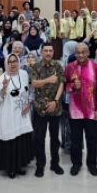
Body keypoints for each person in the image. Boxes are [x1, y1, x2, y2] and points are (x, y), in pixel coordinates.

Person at [64, 42, 97, 176]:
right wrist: (72, 86)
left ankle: (92, 164)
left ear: (88, 53)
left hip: (92, 110)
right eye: (78, 52)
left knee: (92, 139)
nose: (81, 55)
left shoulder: (95, 67)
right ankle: (76, 163)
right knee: (76, 140)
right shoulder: (69, 67)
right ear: (74, 54)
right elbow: (65, 86)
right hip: (75, 111)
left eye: (83, 52)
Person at [28, 41, 65, 177]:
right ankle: (40, 165)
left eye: (50, 51)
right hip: (40, 109)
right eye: (46, 51)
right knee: (39, 138)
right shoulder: (35, 67)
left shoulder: (58, 66)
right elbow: (34, 83)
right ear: (41, 52)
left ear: (53, 52)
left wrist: (55, 101)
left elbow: (61, 83)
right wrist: (49, 79)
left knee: (55, 138)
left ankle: (55, 164)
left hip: (55, 108)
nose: (48, 53)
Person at [0, 54, 34, 178]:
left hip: (22, 113)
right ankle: (11, 168)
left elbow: (31, 90)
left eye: (15, 61)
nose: (13, 64)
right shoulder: (3, 77)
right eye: (10, 62)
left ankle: (20, 166)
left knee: (21, 139)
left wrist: (29, 102)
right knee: (11, 140)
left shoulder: (24, 74)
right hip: (9, 113)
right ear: (7, 63)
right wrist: (3, 88)